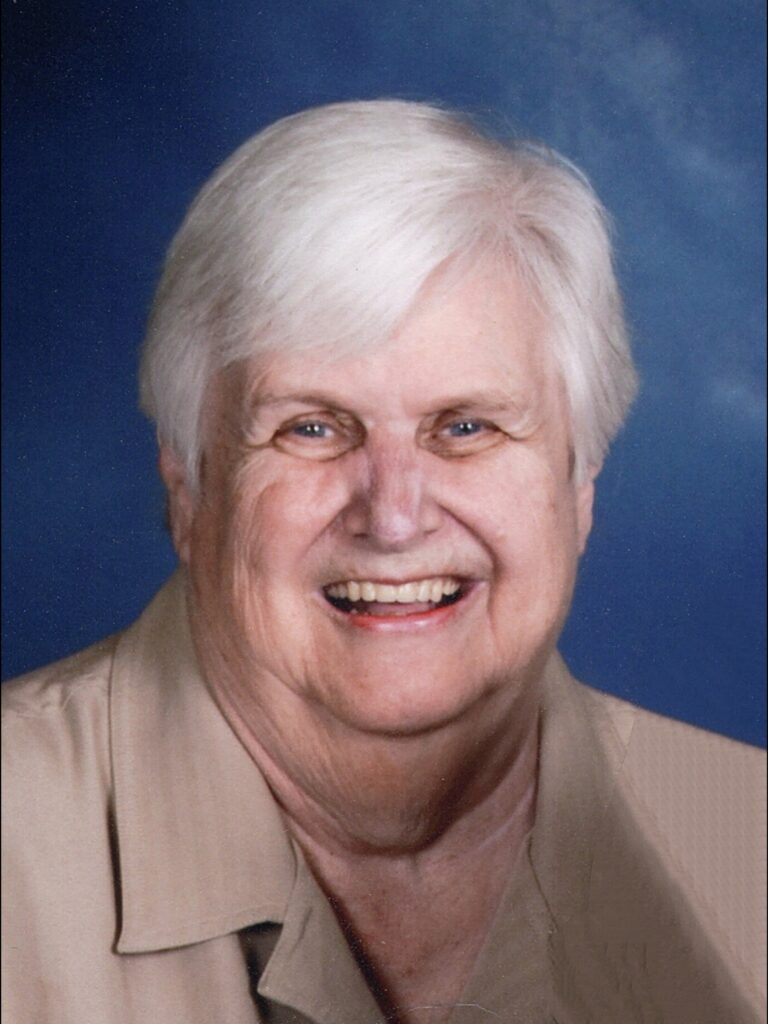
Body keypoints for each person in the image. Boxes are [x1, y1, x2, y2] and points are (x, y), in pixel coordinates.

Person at [2, 100, 764, 1024]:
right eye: (312, 428)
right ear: (187, 486)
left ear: (581, 481)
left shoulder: (749, 852)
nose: (395, 517)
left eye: (467, 427)